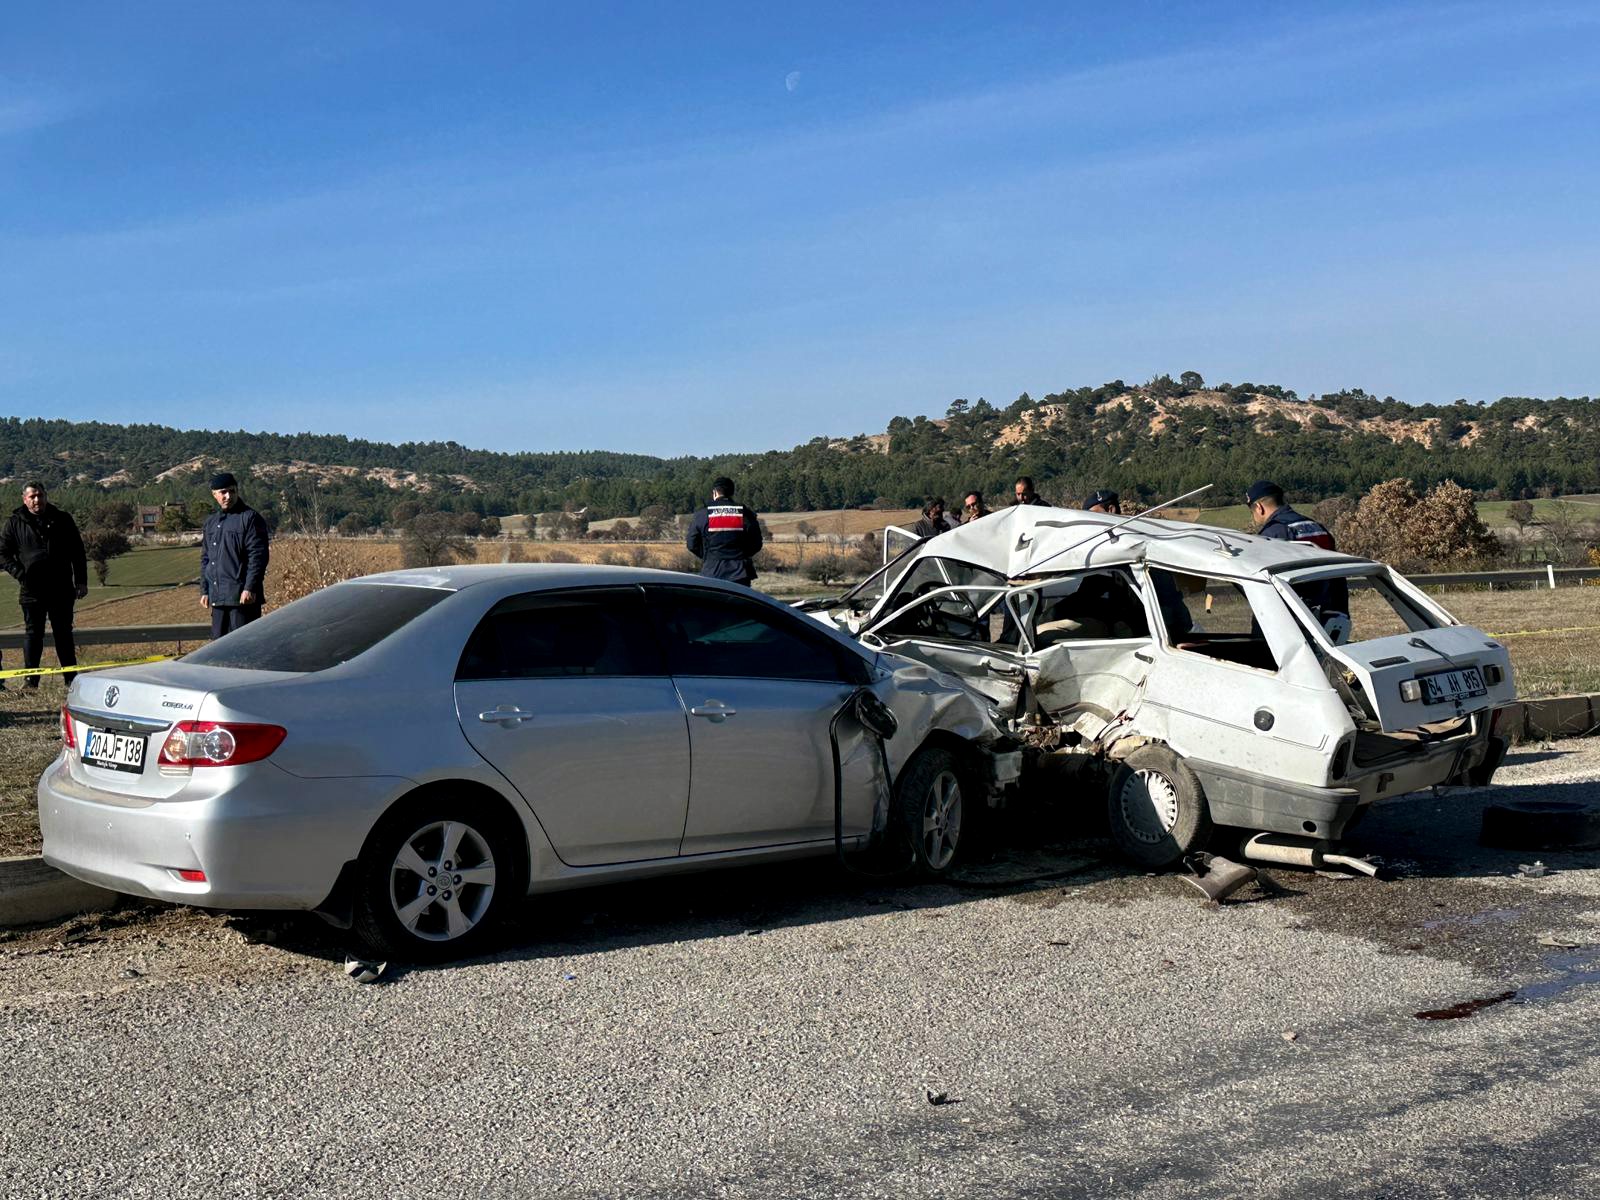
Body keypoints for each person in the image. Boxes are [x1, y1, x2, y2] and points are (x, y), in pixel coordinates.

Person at [0, 482, 88, 689]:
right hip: (31, 589)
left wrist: (81, 581)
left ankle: (71, 680)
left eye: (40, 495)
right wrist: (20, 574)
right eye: (32, 496)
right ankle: (31, 682)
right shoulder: (14, 523)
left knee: (64, 634)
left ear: (46, 496)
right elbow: (2, 553)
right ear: (25, 499)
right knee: (33, 634)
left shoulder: (63, 519)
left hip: (61, 587)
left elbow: (77, 551)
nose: (37, 500)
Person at [1245, 480, 1350, 637]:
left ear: (1259, 508)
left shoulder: (1273, 533)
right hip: (1328, 615)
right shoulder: (1317, 527)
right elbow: (1336, 574)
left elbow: (1266, 583)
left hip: (1294, 620)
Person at [200, 472, 271, 638]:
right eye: (223, 492)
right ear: (214, 494)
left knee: (244, 646)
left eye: (232, 491)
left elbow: (258, 557)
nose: (228, 496)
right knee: (218, 647)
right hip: (218, 598)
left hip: (242, 599)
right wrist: (205, 590)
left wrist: (249, 588)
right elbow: (206, 559)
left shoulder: (250, 518)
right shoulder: (211, 523)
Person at [686, 476, 763, 586]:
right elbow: (756, 543)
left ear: (715, 492)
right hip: (740, 573)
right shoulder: (745, 513)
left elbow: (691, 544)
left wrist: (708, 556)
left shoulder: (703, 514)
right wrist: (742, 555)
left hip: (711, 572)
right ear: (732, 493)